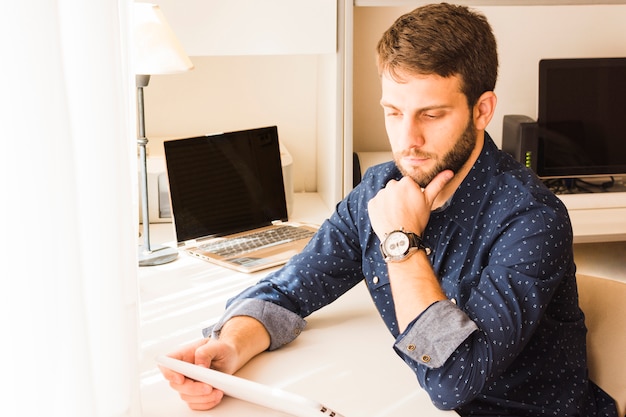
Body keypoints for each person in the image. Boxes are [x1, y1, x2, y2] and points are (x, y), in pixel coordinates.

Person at [159, 3, 618, 416]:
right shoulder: (378, 190)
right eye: (393, 112)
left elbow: (452, 379)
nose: (407, 141)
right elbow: (290, 289)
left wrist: (401, 243)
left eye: (431, 114)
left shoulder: (532, 218)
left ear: (482, 110)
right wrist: (231, 345)